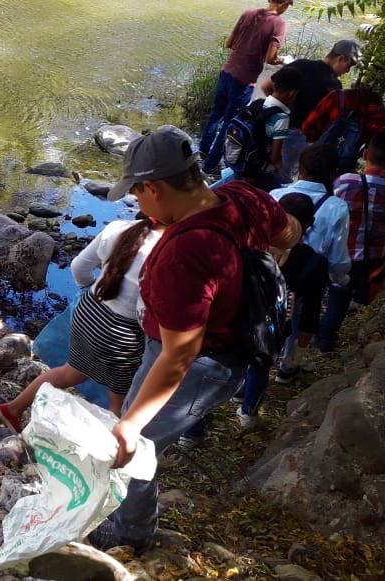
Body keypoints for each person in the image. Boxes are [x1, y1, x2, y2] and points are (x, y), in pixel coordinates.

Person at [89, 126, 301, 553]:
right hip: (229, 351)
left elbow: (179, 353)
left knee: (135, 447)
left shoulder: (184, 254)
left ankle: (131, 534)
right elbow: (290, 232)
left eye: (137, 192)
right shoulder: (245, 196)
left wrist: (131, 425)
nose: (135, 202)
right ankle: (122, 512)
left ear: (154, 187)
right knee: (132, 428)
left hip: (200, 364)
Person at [0, 215, 164, 431]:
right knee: (120, 401)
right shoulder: (165, 256)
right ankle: (111, 453)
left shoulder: (118, 227)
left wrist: (88, 290)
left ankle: (12, 408)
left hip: (88, 310)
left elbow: (79, 268)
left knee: (70, 372)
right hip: (123, 332)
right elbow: (145, 312)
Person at [270, 144, 350, 384]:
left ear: (301, 169)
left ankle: (257, 363)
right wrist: (339, 279)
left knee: (272, 312)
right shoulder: (337, 207)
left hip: (274, 267)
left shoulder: (275, 195)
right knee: (303, 316)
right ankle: (289, 363)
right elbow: (337, 254)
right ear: (334, 173)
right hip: (311, 271)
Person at [198, 0, 291, 174]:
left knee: (216, 114)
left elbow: (229, 43)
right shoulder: (279, 23)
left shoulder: (249, 13)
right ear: (285, 4)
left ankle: (203, 151)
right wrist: (283, 60)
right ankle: (210, 165)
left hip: (226, 71)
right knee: (229, 123)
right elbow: (270, 59)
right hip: (244, 80)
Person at [316, 133, 385, 352]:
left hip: (340, 254)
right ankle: (326, 339)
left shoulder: (346, 181)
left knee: (336, 296)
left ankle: (322, 341)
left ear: (365, 155)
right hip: (373, 260)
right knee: (344, 296)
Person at [262, 40, 361, 181]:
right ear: (341, 59)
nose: (347, 71)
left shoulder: (301, 65)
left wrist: (277, 113)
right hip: (297, 136)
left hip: (269, 124)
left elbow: (266, 87)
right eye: (349, 66)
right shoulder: (333, 86)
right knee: (283, 177)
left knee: (260, 164)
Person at [227, 66, 303, 189]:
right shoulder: (281, 118)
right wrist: (280, 168)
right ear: (292, 93)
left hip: (239, 162)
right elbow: (275, 156)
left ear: (274, 85)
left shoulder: (257, 103)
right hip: (258, 172)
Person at [302, 85, 385, 173]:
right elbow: (376, 145)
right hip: (344, 165)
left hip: (318, 155)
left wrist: (316, 139)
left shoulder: (337, 97)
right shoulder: (380, 114)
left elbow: (309, 124)